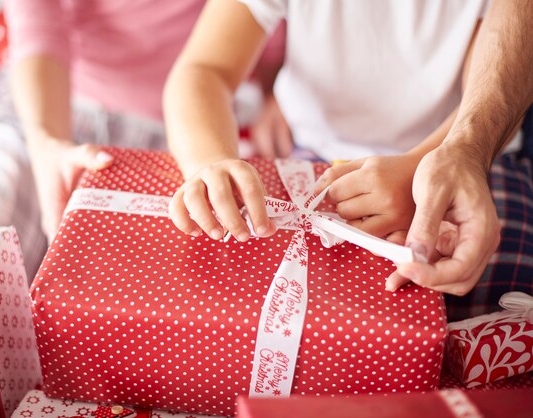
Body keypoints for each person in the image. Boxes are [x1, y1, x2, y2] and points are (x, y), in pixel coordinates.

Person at [164, 0, 533, 306]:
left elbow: (487, 89)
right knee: (254, 291)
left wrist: (427, 161)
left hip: (472, 156)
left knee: (479, 294)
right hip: (316, 156)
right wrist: (209, 162)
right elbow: (204, 70)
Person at [0, 0, 284, 277]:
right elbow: (38, 34)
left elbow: (263, 28)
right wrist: (45, 142)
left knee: (139, 281)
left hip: (175, 134)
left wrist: (275, 94)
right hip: (60, 105)